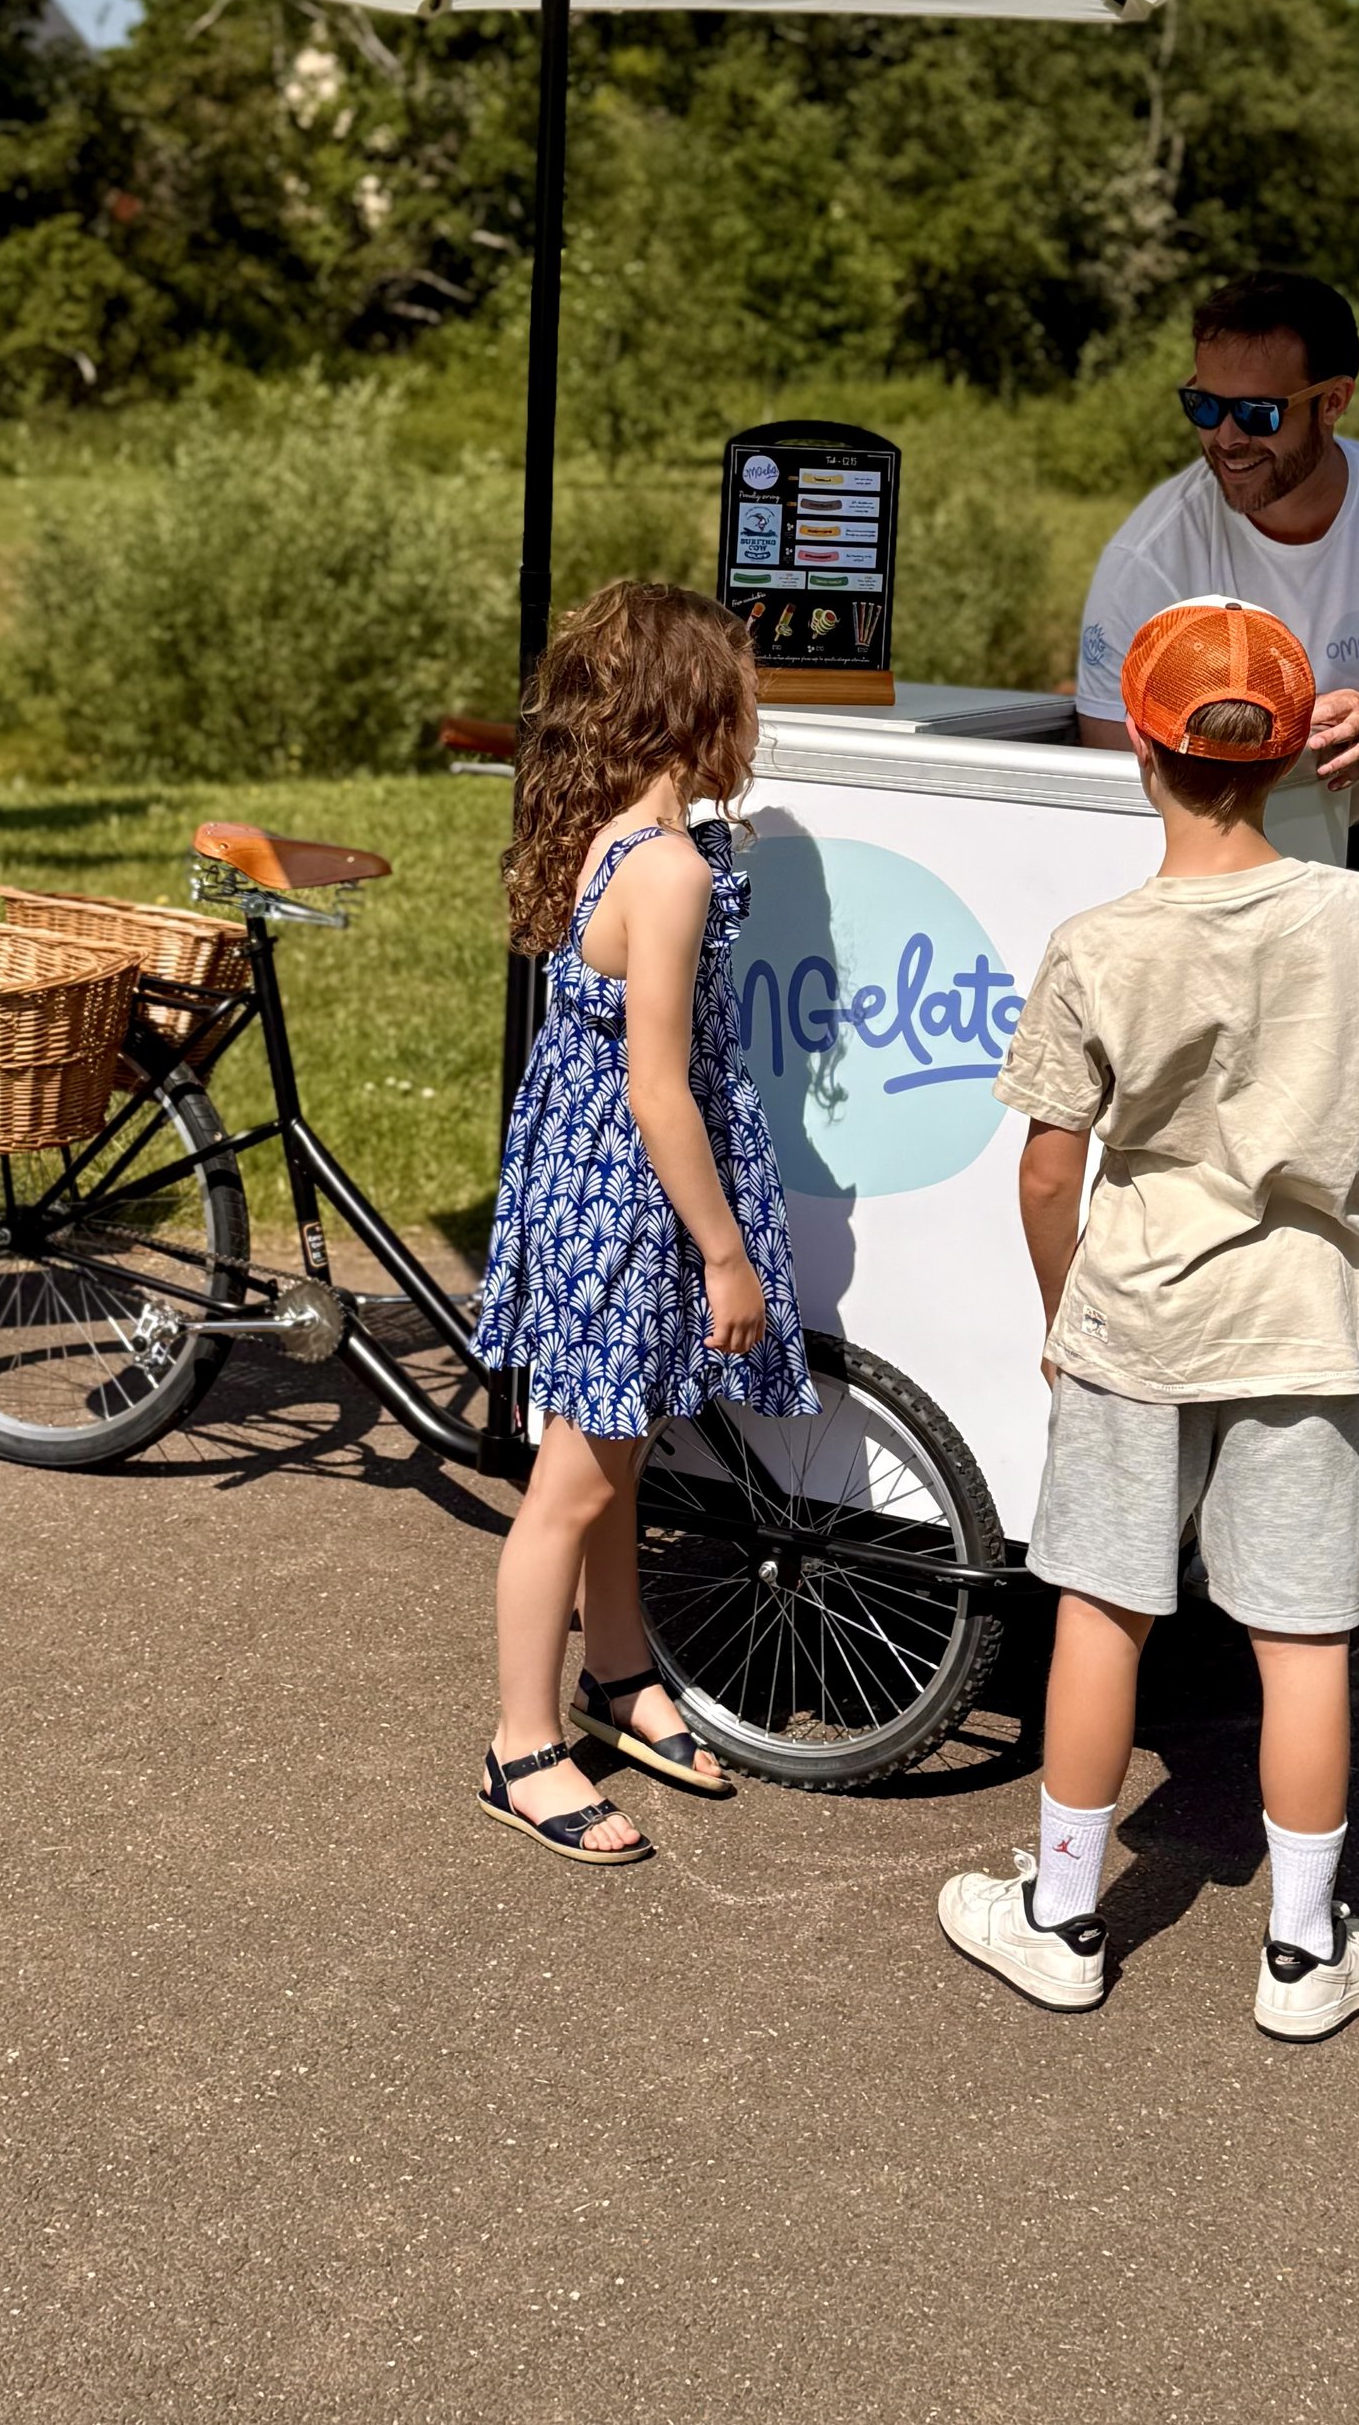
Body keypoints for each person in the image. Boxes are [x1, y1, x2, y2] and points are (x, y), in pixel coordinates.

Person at [938, 598, 1359, 2026]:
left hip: (1139, 1315)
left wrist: (1066, 1313)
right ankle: (1303, 1951)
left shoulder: (1100, 943)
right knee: (1300, 1636)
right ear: (1294, 755)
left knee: (1105, 1610)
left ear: (1146, 758)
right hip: (1302, 1313)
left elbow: (1052, 1168)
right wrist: (1358, 1183)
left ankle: (1061, 1915)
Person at [474, 580, 817, 1864]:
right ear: (701, 708)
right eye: (743, 692)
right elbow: (658, 1086)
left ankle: (619, 1677)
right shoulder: (665, 870)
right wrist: (725, 1254)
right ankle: (520, 1746)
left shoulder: (601, 830)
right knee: (570, 1484)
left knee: (613, 1449)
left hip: (582, 1179)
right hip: (630, 1200)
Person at [1076, 269, 1359, 889]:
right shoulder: (1148, 558)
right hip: (1179, 865)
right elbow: (1108, 768)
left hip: (1350, 843)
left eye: (1257, 414)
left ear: (1334, 401)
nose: (1226, 438)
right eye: (1203, 406)